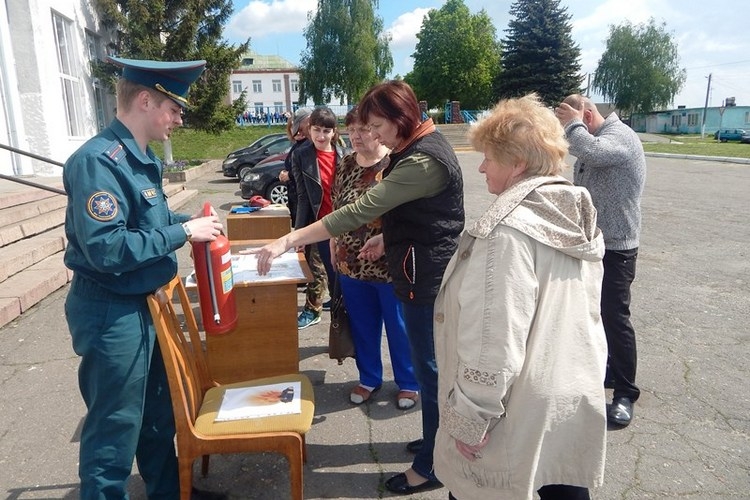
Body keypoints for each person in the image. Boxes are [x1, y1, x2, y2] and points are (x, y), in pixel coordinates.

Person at [250, 80, 464, 495]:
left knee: (430, 370)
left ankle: (433, 464)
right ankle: (436, 440)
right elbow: (417, 213)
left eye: (379, 125)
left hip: (425, 277)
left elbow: (361, 209)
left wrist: (288, 240)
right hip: (415, 267)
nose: (376, 135)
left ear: (401, 119)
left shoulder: (422, 160)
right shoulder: (414, 150)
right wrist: (388, 237)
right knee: (428, 366)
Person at [62, 56, 226, 500]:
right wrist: (182, 232)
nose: (178, 118)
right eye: (173, 108)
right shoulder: (98, 161)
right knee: (113, 430)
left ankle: (171, 491)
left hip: (141, 305)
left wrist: (187, 221)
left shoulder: (137, 157)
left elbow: (147, 218)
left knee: (157, 414)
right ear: (145, 99)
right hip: (111, 310)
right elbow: (108, 248)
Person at [433, 93, 608, 500]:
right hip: (569, 396)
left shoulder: (505, 235)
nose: (479, 167)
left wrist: (470, 419)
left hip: (518, 410)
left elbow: (493, 340)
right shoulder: (571, 216)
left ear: (518, 164)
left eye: (489, 157)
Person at [555, 94, 646, 427]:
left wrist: (573, 122)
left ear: (588, 115)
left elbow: (589, 151)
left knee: (615, 316)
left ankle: (625, 393)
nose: (572, 135)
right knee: (596, 312)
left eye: (576, 125)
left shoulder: (619, 136)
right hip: (595, 244)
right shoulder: (599, 136)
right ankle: (608, 371)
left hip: (618, 247)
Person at [332, 106, 419, 409]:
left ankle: (408, 383)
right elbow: (336, 207)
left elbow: (408, 213)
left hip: (389, 265)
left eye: (363, 129)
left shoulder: (394, 163)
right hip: (350, 264)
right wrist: (333, 242)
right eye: (351, 129)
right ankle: (369, 377)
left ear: (377, 130)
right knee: (362, 326)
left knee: (399, 328)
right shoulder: (344, 164)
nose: (355, 135)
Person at [290, 106, 346, 329]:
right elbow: (303, 197)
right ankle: (339, 332)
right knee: (331, 279)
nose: (321, 136)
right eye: (316, 130)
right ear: (309, 128)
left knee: (347, 281)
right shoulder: (301, 155)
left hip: (346, 224)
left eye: (326, 131)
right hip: (322, 227)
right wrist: (300, 234)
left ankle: (349, 326)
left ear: (334, 132)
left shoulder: (346, 154)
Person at [279, 107, 311, 223]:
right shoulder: (296, 146)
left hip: (305, 199)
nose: (297, 131)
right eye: (293, 127)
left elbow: (307, 170)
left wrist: (290, 175)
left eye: (299, 128)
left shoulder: (308, 146)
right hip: (295, 194)